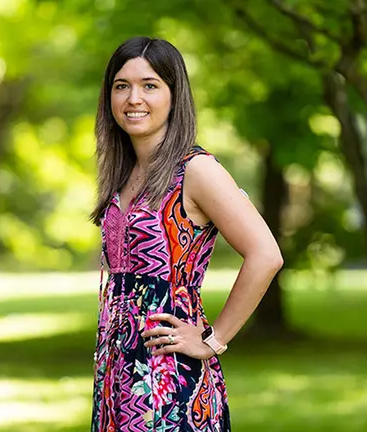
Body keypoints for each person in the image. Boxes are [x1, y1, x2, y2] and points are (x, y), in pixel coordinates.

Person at [89, 36, 283, 432]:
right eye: (121, 86)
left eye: (150, 85)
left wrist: (213, 340)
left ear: (174, 96)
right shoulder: (125, 174)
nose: (133, 98)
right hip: (117, 373)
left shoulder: (196, 170)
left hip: (169, 378)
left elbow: (266, 254)